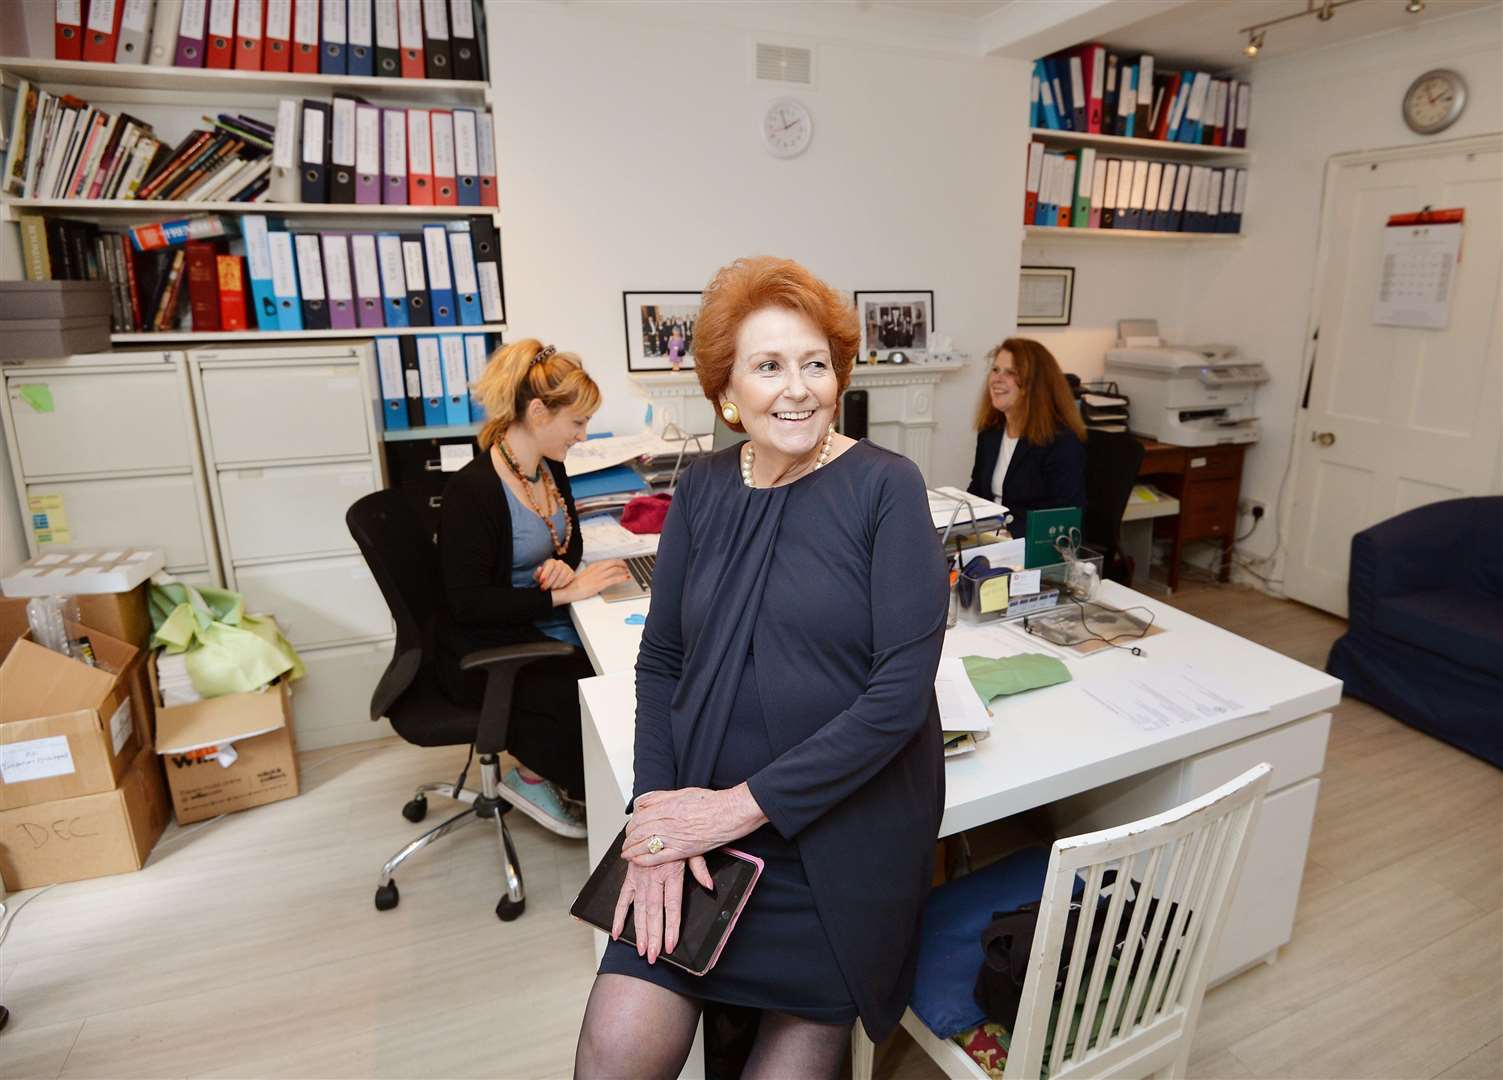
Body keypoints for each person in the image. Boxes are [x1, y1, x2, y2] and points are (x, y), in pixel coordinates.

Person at [575, 257, 947, 1079]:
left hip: (834, 836)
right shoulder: (703, 487)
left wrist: (734, 811)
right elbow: (662, 661)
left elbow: (897, 698)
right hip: (700, 822)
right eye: (768, 366)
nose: (797, 388)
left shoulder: (885, 487)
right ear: (726, 391)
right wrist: (659, 821)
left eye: (814, 364)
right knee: (615, 1047)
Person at [436, 339, 631, 838]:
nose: (583, 436)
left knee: (629, 679)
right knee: (592, 700)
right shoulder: (473, 491)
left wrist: (563, 567)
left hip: (541, 620)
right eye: (577, 423)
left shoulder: (550, 467)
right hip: (494, 642)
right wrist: (564, 594)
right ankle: (530, 774)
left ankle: (577, 778)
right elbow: (468, 604)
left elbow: (569, 537)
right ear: (540, 413)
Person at [966, 337, 1088, 537]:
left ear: (1035, 385)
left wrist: (1007, 536)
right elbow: (978, 491)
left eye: (1010, 373)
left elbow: (1062, 518)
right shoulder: (991, 432)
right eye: (995, 370)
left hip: (1032, 548)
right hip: (990, 539)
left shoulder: (1062, 442)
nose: (997, 379)